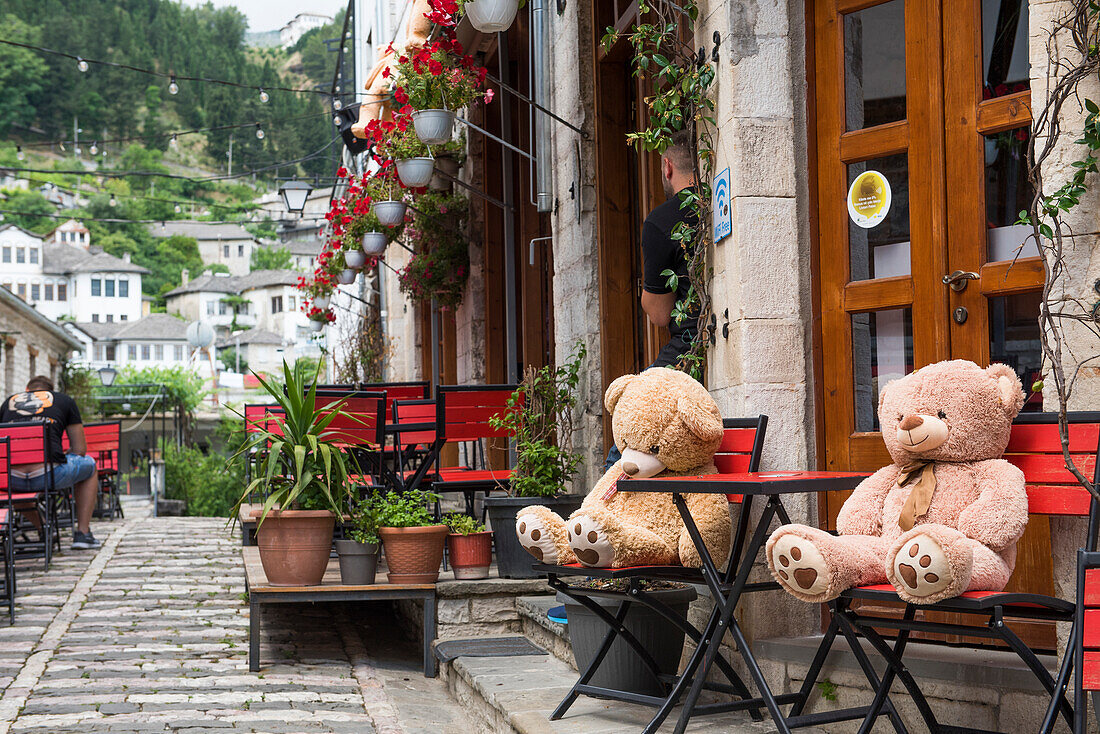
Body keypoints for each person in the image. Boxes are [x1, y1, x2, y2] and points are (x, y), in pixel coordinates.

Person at [605, 129, 700, 469]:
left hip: (688, 349)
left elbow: (659, 313)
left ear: (667, 166)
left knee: (624, 446)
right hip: (713, 342)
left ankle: (602, 516)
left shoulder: (662, 221)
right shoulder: (719, 205)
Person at [1, 376, 100, 550]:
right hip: (49, 475)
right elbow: (80, 450)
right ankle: (83, 534)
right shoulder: (65, 401)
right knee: (90, 466)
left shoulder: (8, 402)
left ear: (26, 390)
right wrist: (65, 455)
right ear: (51, 391)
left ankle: (45, 528)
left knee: (10, 482)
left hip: (12, 479)